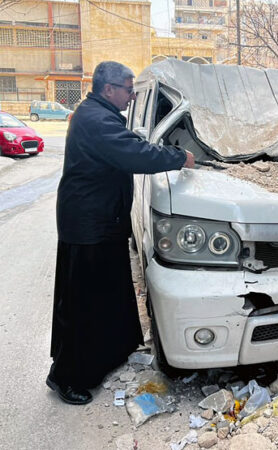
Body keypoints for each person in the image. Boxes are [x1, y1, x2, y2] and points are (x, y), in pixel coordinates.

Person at [47, 61, 195, 405]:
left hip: (102, 220)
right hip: (89, 224)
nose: (131, 97)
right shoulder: (96, 120)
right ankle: (66, 376)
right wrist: (179, 157)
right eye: (128, 90)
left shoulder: (97, 113)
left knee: (108, 292)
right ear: (108, 89)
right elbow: (135, 153)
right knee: (84, 302)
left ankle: (112, 351)